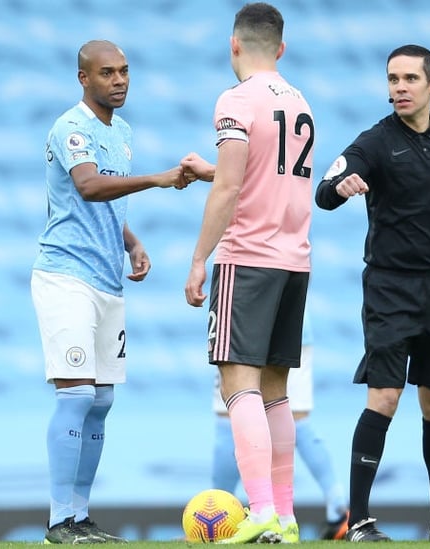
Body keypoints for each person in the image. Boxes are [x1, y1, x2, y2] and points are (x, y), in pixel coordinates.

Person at [315, 44, 430, 543]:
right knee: (386, 396)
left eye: (410, 78)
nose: (400, 87)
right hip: (389, 287)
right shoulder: (373, 143)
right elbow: (324, 192)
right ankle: (360, 521)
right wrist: (341, 188)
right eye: (393, 78)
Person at [32, 39, 195, 545]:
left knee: (101, 400)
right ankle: (59, 520)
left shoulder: (121, 131)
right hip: (66, 275)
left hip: (106, 277)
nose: (119, 80)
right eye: (107, 73)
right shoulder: (71, 127)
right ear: (84, 78)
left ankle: (80, 517)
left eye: (124, 71)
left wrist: (131, 242)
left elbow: (108, 198)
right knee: (77, 393)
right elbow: (88, 186)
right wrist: (160, 180)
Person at [180, 2, 314, 544]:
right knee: (277, 391)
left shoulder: (236, 100)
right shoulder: (300, 101)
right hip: (293, 259)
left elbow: (232, 187)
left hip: (249, 256)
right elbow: (270, 171)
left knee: (238, 385)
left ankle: (258, 510)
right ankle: (283, 515)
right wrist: (213, 168)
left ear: (233, 44)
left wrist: (198, 259)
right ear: (280, 49)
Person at [212, 313, 350, 541]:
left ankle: (219, 518)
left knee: (233, 410)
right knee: (290, 411)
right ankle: (326, 512)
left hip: (243, 318)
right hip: (292, 318)